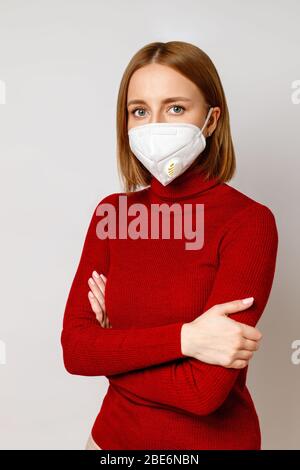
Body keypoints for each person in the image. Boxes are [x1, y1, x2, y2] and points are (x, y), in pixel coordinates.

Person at [61, 41, 278, 450]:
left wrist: (113, 350)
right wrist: (186, 339)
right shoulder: (114, 214)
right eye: (139, 111)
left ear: (211, 120)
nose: (155, 124)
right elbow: (75, 352)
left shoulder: (249, 223)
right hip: (107, 441)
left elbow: (202, 393)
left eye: (175, 108)